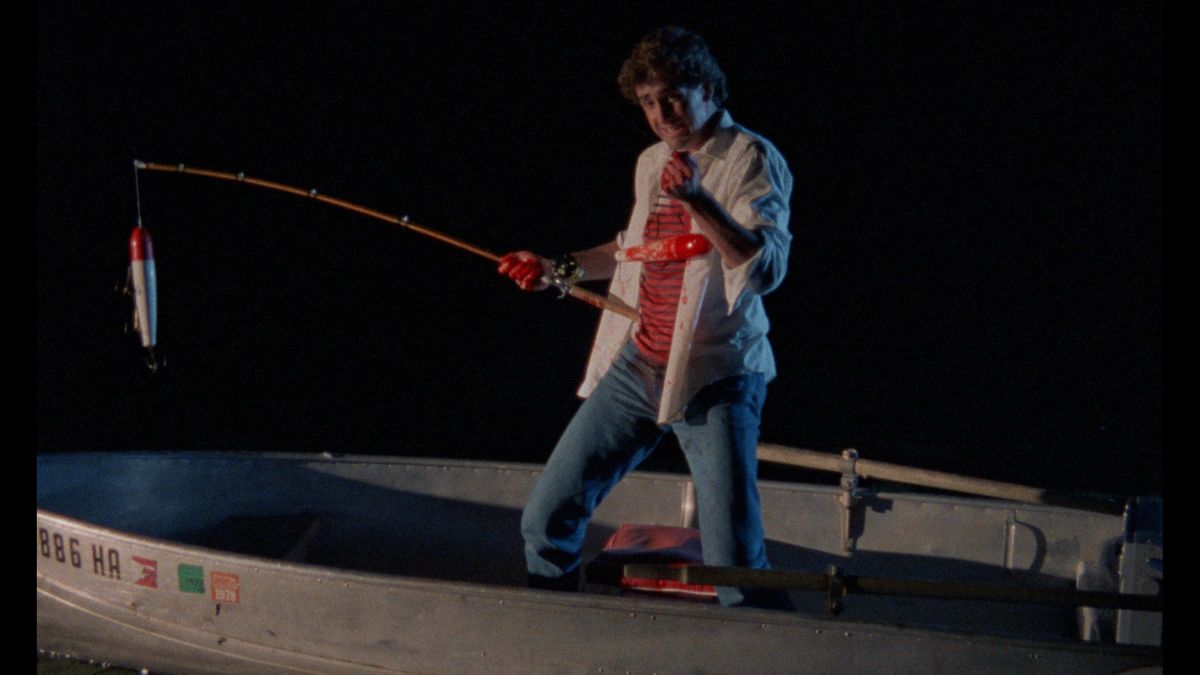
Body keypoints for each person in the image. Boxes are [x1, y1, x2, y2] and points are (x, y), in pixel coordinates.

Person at [498, 26, 793, 609]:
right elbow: (630, 249)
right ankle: (552, 629)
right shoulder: (651, 161)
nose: (663, 114)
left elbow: (765, 272)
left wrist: (699, 203)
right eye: (650, 103)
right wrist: (556, 268)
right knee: (546, 518)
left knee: (735, 566)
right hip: (639, 364)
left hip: (715, 375)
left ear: (708, 87)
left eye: (675, 95)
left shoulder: (750, 157)